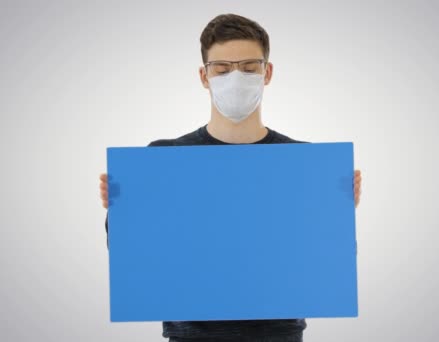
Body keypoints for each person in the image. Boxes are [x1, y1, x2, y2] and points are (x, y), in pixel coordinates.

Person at [99, 13, 363, 342]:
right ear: (204, 76)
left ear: (267, 72)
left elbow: (324, 268)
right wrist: (121, 213)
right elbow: (135, 260)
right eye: (222, 70)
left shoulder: (303, 162)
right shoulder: (163, 159)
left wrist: (339, 213)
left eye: (249, 68)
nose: (235, 78)